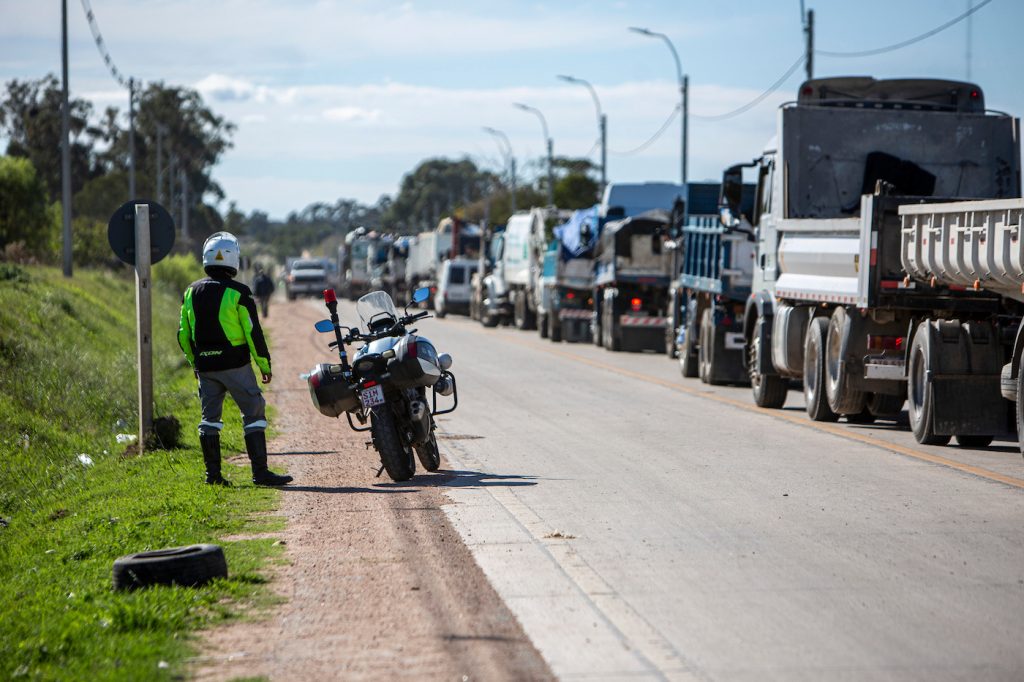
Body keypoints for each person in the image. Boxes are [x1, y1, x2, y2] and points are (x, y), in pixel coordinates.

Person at [177, 232, 292, 487]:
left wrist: (195, 362)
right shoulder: (239, 292)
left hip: (206, 366)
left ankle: (213, 476)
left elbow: (183, 334)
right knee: (254, 413)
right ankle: (260, 474)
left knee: (209, 420)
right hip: (236, 365)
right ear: (234, 260)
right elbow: (253, 332)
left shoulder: (190, 292)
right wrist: (264, 364)